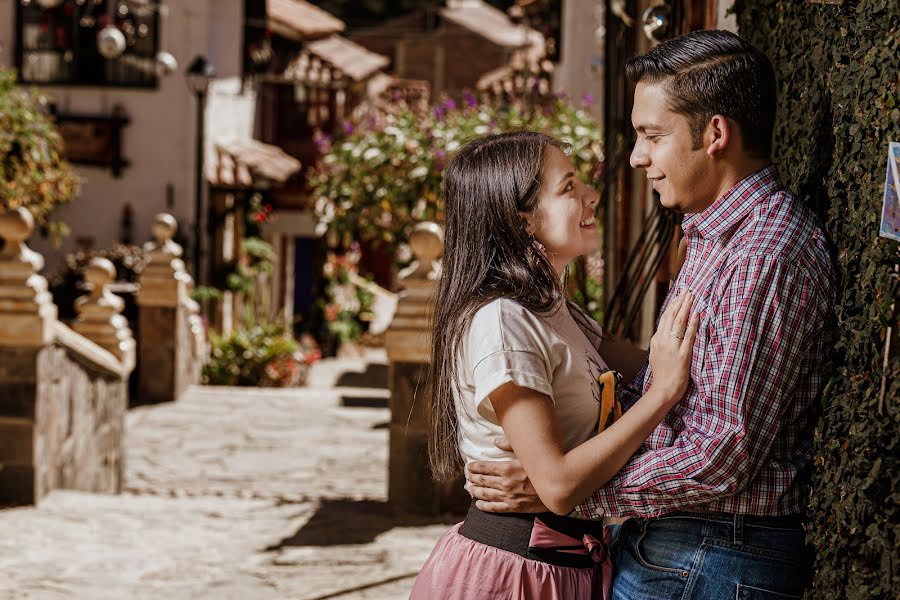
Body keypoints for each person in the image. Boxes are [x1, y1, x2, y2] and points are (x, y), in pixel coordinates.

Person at [466, 30, 838, 600]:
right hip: (688, 549)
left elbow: (720, 453)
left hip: (712, 555)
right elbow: (682, 391)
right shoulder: (718, 235)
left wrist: (561, 493)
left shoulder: (760, 254)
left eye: (651, 136)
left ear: (715, 134)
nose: (637, 156)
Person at [408, 130, 699, 600]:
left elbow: (654, 365)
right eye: (568, 188)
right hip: (514, 575)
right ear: (522, 220)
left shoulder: (554, 309)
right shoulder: (503, 321)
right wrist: (663, 395)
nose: (591, 194)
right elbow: (559, 484)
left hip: (564, 566)